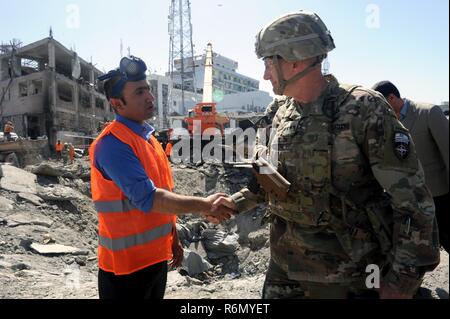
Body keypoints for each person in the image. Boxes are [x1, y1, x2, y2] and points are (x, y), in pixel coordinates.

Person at [212, 10, 440, 299]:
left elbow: (414, 202)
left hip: (352, 276)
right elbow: (272, 182)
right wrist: (234, 203)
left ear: (294, 60)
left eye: (269, 62)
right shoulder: (279, 113)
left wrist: (401, 282)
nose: (265, 74)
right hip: (284, 269)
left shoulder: (364, 109)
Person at [91, 56, 234, 299]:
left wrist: (173, 237)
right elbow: (149, 198)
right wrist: (206, 205)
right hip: (124, 270)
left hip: (155, 260)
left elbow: (163, 193)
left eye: (147, 89)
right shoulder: (113, 144)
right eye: (139, 92)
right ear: (117, 104)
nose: (149, 97)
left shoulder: (148, 139)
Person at [372, 81, 449, 253]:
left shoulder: (428, 113)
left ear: (392, 97)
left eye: (381, 103)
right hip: (408, 199)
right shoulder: (385, 122)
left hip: (439, 196)